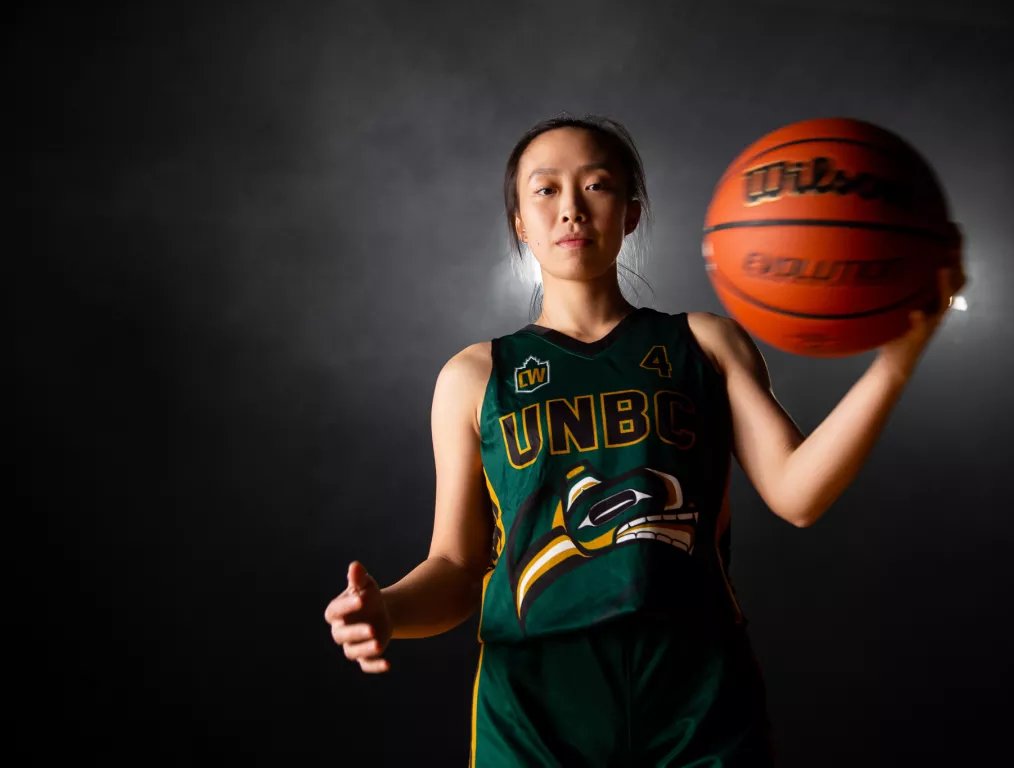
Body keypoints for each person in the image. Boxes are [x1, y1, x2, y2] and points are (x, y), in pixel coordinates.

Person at [324, 114, 965, 766]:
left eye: (597, 185)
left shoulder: (705, 343)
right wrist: (390, 613)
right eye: (545, 190)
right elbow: (457, 570)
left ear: (631, 213)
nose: (571, 208)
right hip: (536, 697)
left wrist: (896, 361)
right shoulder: (474, 376)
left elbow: (798, 492)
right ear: (519, 220)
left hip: (694, 684)